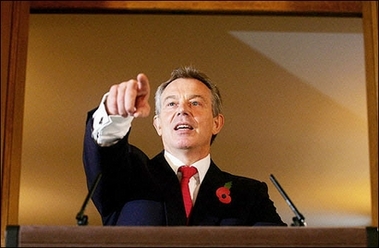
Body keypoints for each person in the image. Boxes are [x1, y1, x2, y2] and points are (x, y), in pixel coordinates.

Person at [83, 66, 287, 226]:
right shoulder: (129, 178)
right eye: (171, 104)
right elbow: (106, 153)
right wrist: (114, 114)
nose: (182, 110)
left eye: (195, 103)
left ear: (217, 123)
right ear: (158, 124)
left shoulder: (249, 195)